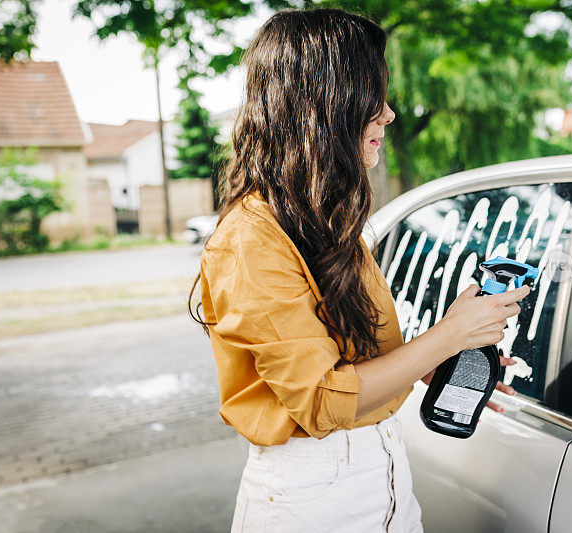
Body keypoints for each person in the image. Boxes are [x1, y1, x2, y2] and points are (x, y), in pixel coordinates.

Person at [188, 7, 529, 532]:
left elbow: (352, 363)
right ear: (322, 104)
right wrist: (448, 335)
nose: (389, 114)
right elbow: (322, 400)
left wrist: (438, 361)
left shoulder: (324, 218)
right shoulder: (250, 240)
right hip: (311, 498)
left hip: (386, 477)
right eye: (373, 95)